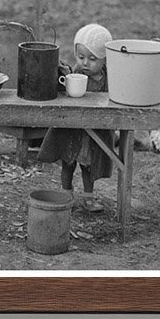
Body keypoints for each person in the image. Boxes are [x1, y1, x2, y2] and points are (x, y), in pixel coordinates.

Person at [37, 23, 115, 206]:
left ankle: (88, 198)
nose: (85, 63)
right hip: (72, 129)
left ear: (105, 59)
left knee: (89, 166)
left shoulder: (109, 78)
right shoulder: (75, 74)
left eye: (92, 59)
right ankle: (66, 195)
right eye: (81, 57)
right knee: (68, 162)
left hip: (95, 131)